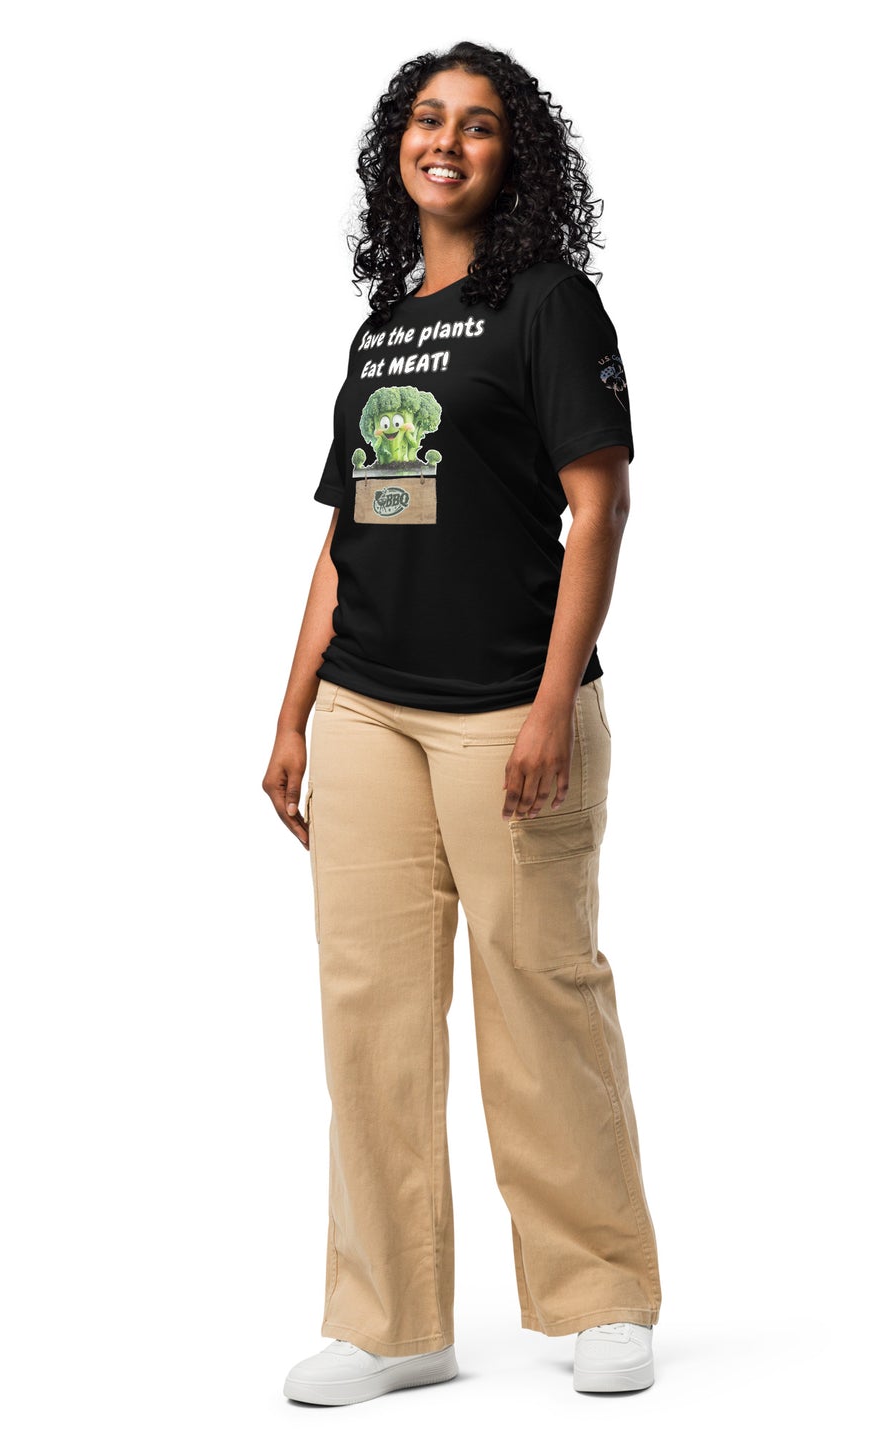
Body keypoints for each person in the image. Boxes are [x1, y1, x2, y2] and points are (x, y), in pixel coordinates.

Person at [263, 41, 663, 1406]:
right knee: (368, 1013)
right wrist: (294, 708)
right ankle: (389, 1320)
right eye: (428, 120)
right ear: (398, 147)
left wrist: (555, 697)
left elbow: (597, 506)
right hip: (367, 707)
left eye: (478, 125)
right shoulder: (384, 322)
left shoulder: (548, 304)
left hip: (507, 707)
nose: (447, 141)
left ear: (514, 157)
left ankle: (599, 1293)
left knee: (536, 992)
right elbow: (345, 529)